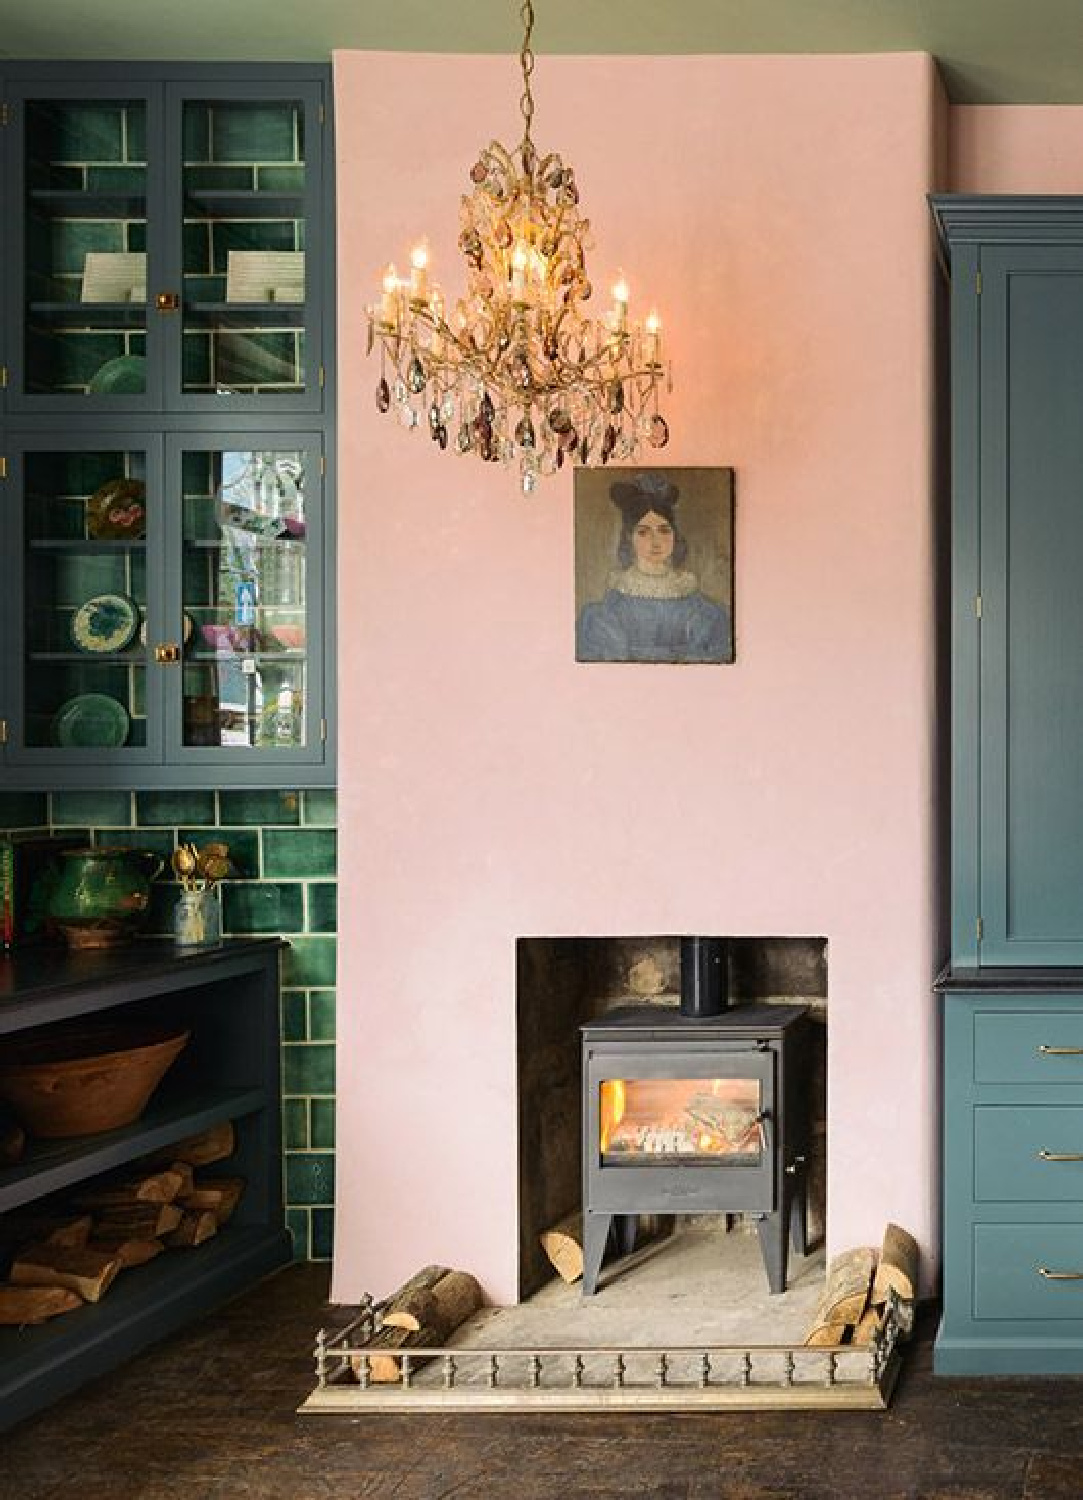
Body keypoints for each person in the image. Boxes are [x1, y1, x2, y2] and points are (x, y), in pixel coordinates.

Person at [576, 471, 732, 663]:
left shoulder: (706, 612)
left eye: (664, 530)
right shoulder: (605, 613)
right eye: (643, 532)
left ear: (675, 536)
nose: (655, 541)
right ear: (628, 538)